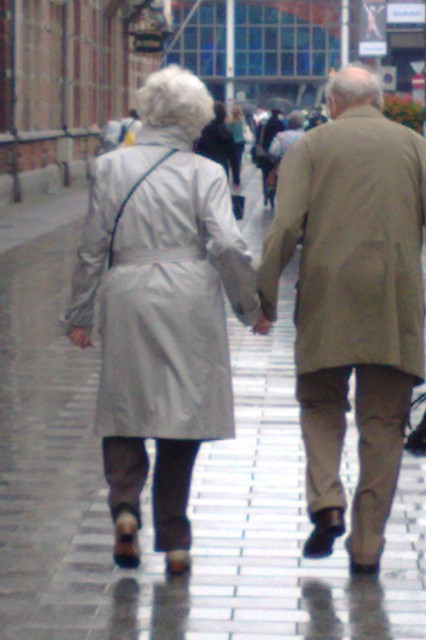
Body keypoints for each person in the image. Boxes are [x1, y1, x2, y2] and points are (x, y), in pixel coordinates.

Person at [256, 65, 426, 575]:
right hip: (393, 302)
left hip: (325, 298)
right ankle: (368, 544)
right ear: (378, 100)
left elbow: (285, 225)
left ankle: (326, 499)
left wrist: (262, 298)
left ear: (333, 102)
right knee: (383, 425)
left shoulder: (310, 148)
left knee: (320, 405)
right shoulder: (415, 148)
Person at [63, 65, 267, 575]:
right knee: (184, 411)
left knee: (124, 402)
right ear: (196, 118)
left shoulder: (110, 167)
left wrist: (80, 314)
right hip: (190, 294)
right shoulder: (206, 173)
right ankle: (175, 538)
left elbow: (93, 246)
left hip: (127, 287)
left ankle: (126, 505)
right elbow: (226, 243)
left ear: (146, 110)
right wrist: (250, 309)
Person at [265, 110, 306, 207]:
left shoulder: (281, 137)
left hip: (283, 169)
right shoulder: (308, 136)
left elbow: (273, 152)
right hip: (302, 170)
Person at [196, 101, 240, 187]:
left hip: (204, 169)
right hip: (221, 169)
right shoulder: (227, 133)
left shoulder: (202, 132)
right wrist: (236, 179)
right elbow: (233, 158)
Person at [254, 108, 285, 206]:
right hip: (276, 154)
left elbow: (258, 138)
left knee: (265, 174)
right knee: (275, 175)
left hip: (264, 153)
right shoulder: (281, 124)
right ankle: (272, 196)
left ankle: (265, 195)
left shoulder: (264, 124)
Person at [226, 105, 252, 176]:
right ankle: (237, 176)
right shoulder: (242, 121)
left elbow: (227, 131)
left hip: (231, 143)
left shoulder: (228, 122)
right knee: (239, 159)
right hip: (241, 142)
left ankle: (231, 172)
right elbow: (245, 130)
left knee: (231, 159)